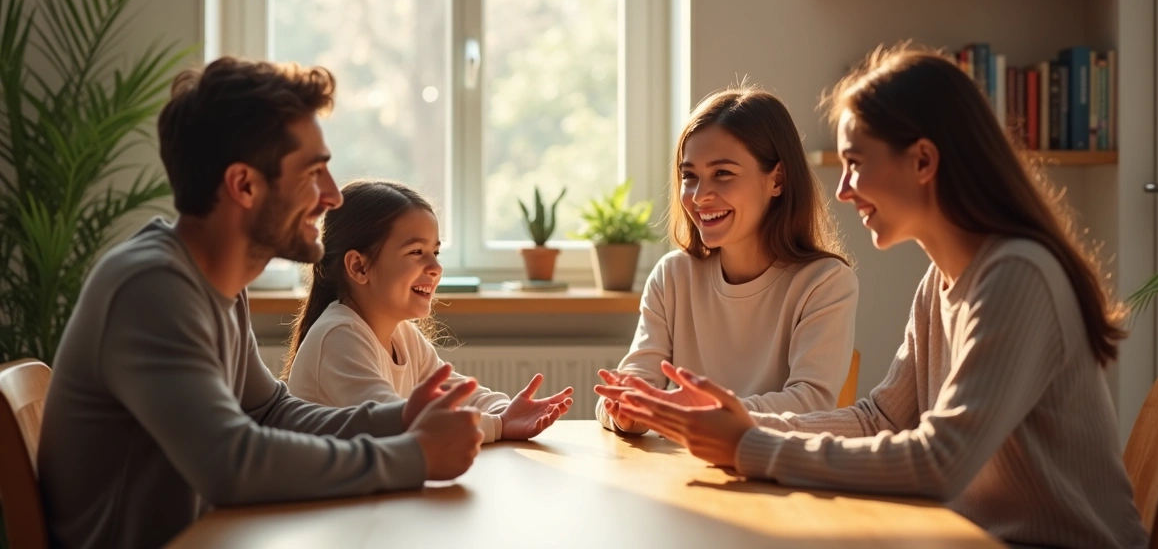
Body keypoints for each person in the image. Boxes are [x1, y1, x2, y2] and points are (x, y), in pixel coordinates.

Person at [614, 45, 1149, 548]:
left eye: (856, 162)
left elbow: (940, 461)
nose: (843, 189)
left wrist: (747, 446)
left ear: (922, 161)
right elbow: (880, 419)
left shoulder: (1018, 276)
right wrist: (742, 424)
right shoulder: (940, 282)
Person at [38, 57, 484, 549]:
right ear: (244, 185)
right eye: (313, 173)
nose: (333, 196)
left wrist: (397, 419)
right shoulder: (151, 287)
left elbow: (270, 411)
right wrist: (415, 457)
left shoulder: (215, 285)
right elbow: (232, 462)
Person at [594, 85, 858, 435]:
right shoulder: (672, 277)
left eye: (723, 174)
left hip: (775, 476)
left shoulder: (825, 282)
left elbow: (811, 403)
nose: (700, 196)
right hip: (685, 475)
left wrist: (701, 410)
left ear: (777, 179)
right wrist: (623, 409)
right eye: (690, 176)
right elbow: (631, 381)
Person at [282, 179, 573, 442]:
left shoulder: (403, 334)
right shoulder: (339, 337)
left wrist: (505, 410)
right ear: (359, 266)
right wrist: (499, 424)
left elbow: (457, 393)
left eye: (435, 252)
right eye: (416, 252)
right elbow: (400, 422)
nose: (436, 268)